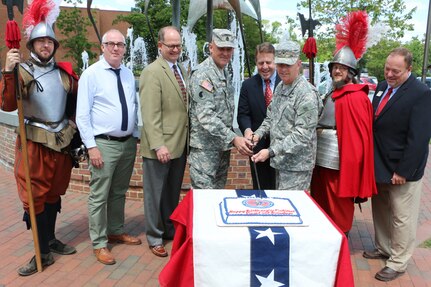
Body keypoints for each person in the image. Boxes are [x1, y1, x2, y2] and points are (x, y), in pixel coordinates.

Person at [0, 21, 78, 275]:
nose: (46, 45)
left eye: (50, 42)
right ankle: (41, 250)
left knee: (55, 192)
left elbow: (75, 105)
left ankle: (51, 240)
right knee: (34, 196)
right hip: (34, 141)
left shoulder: (64, 72)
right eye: (40, 41)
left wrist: (78, 137)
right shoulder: (21, 71)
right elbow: (8, 104)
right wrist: (8, 71)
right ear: (31, 44)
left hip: (61, 141)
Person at [363, 47, 431, 282]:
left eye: (396, 71)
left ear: (409, 69)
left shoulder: (421, 93)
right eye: (387, 69)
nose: (389, 74)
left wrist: (403, 170)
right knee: (380, 210)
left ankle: (398, 261)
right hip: (379, 163)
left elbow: (419, 138)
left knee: (402, 216)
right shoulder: (382, 87)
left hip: (402, 168)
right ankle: (383, 247)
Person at [77, 29, 141, 266]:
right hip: (103, 144)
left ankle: (115, 229)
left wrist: (134, 135)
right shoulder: (91, 74)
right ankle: (99, 243)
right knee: (99, 195)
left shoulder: (126, 73)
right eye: (111, 44)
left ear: (125, 48)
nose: (116, 48)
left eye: (120, 44)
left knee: (118, 191)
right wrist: (91, 146)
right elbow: (82, 115)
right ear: (102, 46)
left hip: (127, 144)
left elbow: (132, 105)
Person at [310, 46, 377, 236]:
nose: (337, 71)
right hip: (320, 155)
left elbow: (358, 139)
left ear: (351, 72)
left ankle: (340, 236)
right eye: (334, 67)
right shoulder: (331, 93)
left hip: (339, 159)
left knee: (338, 202)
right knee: (320, 199)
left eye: (342, 67)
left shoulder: (356, 97)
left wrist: (352, 166)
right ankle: (326, 236)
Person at [139, 26, 188, 257]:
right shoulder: (152, 72)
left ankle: (168, 229)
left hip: (179, 144)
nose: (176, 49)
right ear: (160, 46)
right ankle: (154, 236)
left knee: (171, 192)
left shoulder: (181, 70)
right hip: (161, 146)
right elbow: (150, 114)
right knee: (155, 194)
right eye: (171, 46)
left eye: (178, 45)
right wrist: (159, 144)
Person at [251, 40, 322, 190]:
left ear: (298, 64)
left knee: (290, 210)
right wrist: (257, 134)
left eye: (287, 65)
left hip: (297, 167)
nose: (283, 69)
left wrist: (270, 151)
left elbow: (302, 135)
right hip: (281, 162)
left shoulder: (306, 94)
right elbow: (271, 117)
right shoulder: (281, 87)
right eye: (280, 65)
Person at [189, 28, 253, 189]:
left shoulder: (223, 72)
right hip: (205, 151)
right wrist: (233, 138)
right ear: (211, 47)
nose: (225, 53)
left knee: (216, 200)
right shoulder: (203, 74)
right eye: (221, 48)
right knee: (203, 202)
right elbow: (206, 116)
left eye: (229, 49)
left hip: (220, 149)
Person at [237, 42, 280, 190]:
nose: (265, 66)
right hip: (257, 147)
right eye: (261, 63)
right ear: (256, 62)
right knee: (261, 191)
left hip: (281, 147)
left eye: (269, 62)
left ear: (275, 61)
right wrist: (247, 130)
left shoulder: (286, 83)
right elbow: (243, 114)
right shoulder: (248, 85)